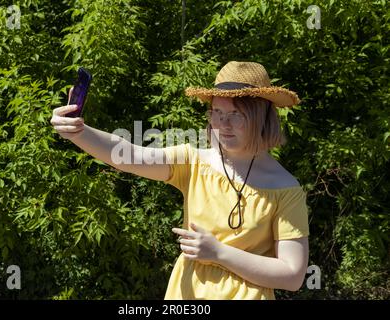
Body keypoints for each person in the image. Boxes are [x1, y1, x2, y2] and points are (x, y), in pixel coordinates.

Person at [50, 61, 309, 300]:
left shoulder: (286, 189)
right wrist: (78, 132)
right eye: (217, 112)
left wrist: (219, 253)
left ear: (261, 117)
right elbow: (128, 155)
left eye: (236, 115)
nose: (223, 124)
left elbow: (293, 275)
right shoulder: (194, 161)